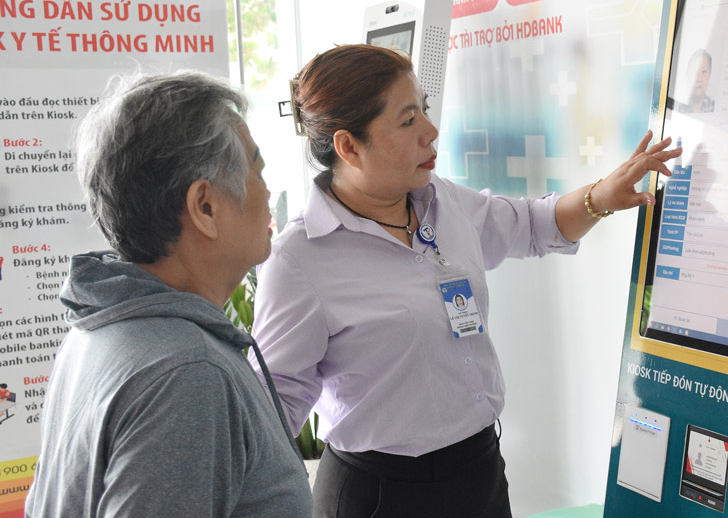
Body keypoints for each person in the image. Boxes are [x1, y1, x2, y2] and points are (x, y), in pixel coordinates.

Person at [249, 44, 682, 518]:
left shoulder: (441, 201)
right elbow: (269, 410)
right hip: (380, 496)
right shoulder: (300, 259)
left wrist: (602, 195)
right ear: (349, 146)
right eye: (408, 120)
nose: (431, 133)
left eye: (425, 111)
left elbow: (532, 225)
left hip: (477, 474)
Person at [26, 74, 312, 518]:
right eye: (257, 169)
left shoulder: (101, 329)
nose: (267, 190)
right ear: (204, 207)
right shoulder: (188, 374)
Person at [677, 48, 716, 114]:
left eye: (704, 71)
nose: (699, 79)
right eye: (695, 71)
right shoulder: (679, 108)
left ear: (709, 74)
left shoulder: (714, 107)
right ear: (688, 74)